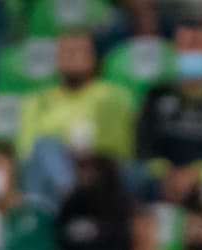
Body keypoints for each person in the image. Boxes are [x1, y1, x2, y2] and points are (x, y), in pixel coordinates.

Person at [136, 21, 202, 204]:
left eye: (200, 47)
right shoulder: (157, 93)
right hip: (161, 185)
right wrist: (166, 174)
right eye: (187, 47)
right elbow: (143, 148)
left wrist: (198, 172)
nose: (193, 53)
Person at [16, 31, 134, 163]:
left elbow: (122, 146)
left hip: (103, 168)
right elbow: (26, 151)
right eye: (67, 52)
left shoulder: (114, 97)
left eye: (79, 51)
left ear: (93, 58)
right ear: (56, 60)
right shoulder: (35, 100)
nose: (72, 57)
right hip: (50, 171)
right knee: (45, 146)